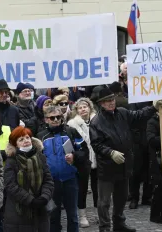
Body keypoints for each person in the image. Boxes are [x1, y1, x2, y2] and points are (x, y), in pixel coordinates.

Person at [89, 88, 162, 232]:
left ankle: (119, 223)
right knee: (104, 202)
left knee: (121, 198)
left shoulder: (122, 112)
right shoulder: (96, 121)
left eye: (112, 100)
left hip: (124, 164)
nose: (111, 103)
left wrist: (153, 107)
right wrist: (110, 153)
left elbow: (138, 116)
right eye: (107, 101)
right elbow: (96, 144)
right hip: (107, 167)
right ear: (101, 103)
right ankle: (104, 227)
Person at [37, 106, 89, 232]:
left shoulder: (71, 132)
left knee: (73, 216)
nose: (55, 120)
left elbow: (84, 151)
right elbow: (37, 160)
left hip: (70, 179)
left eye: (58, 117)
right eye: (52, 117)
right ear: (46, 119)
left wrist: (74, 156)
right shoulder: (40, 136)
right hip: (51, 182)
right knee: (53, 216)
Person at [3, 127, 54, 231]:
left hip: (41, 210)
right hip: (19, 213)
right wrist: (30, 200)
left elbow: (48, 180)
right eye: (21, 139)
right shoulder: (11, 161)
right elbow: (11, 185)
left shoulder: (41, 157)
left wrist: (44, 197)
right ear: (15, 144)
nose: (26, 141)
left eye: (27, 137)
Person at [67, 98, 97, 228]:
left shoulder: (98, 121)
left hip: (98, 158)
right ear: (76, 110)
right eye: (80, 107)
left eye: (85, 106)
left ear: (90, 108)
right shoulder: (72, 124)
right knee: (82, 189)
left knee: (98, 189)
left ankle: (98, 213)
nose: (83, 109)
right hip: (82, 160)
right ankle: (82, 215)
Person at [128, 101, 153, 210]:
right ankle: (134, 198)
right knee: (135, 171)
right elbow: (133, 118)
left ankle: (147, 197)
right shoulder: (135, 99)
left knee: (150, 170)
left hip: (150, 139)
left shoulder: (153, 98)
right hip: (137, 140)